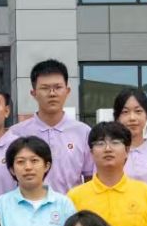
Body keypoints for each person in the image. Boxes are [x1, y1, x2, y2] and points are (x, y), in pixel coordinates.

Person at [5, 60, 91, 191]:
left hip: (71, 204)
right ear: (33, 93)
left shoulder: (83, 132)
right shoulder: (16, 133)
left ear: (67, 91)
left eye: (58, 87)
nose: (52, 93)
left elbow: (90, 178)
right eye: (45, 88)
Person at [110, 87, 147, 188]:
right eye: (125, 112)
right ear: (117, 118)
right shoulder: (108, 154)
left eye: (138, 111)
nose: (132, 118)